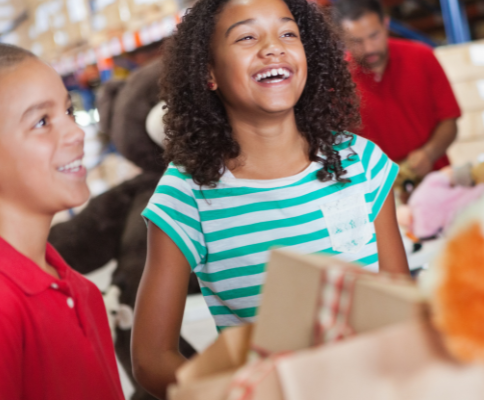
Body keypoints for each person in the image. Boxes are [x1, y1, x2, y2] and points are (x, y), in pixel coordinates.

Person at [130, 0, 410, 397]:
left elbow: (400, 305)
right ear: (208, 72)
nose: (273, 47)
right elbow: (151, 357)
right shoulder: (187, 195)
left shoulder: (362, 162)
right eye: (246, 37)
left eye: (288, 34)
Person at [0, 44, 124, 400]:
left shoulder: (82, 292)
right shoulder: (1, 307)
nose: (76, 133)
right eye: (42, 121)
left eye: (69, 111)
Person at [333, 0, 461, 178]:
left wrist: (429, 154)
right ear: (342, 39)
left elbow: (450, 121)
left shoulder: (422, 57)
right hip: (377, 194)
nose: (369, 48)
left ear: (385, 24)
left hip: (437, 181)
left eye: (374, 36)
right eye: (357, 41)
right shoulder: (336, 82)